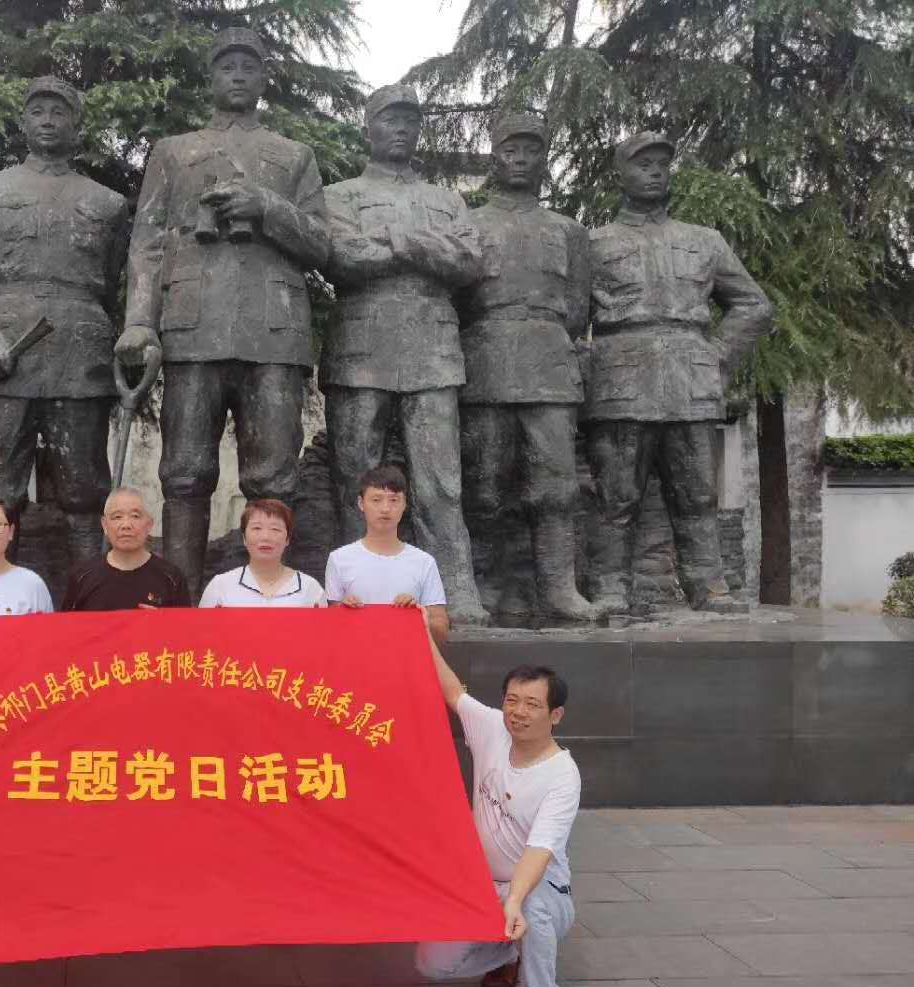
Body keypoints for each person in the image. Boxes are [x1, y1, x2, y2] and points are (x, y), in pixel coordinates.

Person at [115, 27, 331, 596]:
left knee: (273, 476)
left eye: (248, 67)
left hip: (274, 332)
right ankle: (180, 597)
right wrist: (139, 321)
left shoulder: (294, 156)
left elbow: (321, 245)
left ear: (263, 79)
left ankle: (271, 596)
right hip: (192, 328)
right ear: (210, 77)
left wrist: (267, 207)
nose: (237, 75)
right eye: (227, 66)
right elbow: (147, 244)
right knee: (184, 473)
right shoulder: (173, 152)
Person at [585, 131, 772, 615]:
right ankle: (609, 587)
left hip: (691, 382)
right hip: (620, 382)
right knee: (616, 494)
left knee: (697, 494)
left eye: (661, 164)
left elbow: (753, 305)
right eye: (642, 163)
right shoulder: (593, 244)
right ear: (620, 174)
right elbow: (567, 318)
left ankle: (708, 584)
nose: (654, 172)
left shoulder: (704, 241)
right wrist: (589, 369)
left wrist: (718, 356)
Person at [322, 84, 488, 626]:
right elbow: (341, 256)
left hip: (432, 349)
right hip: (360, 348)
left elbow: (468, 263)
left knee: (441, 481)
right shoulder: (339, 195)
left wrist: (396, 241)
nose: (401, 128)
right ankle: (351, 589)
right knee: (354, 477)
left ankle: (455, 591)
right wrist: (426, 247)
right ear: (368, 128)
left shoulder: (448, 200)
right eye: (390, 119)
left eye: (410, 121)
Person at [0, 77, 129, 564]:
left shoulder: (107, 203)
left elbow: (109, 282)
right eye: (38, 112)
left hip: (80, 356)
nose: (48, 120)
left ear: (77, 126)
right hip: (8, 354)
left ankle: (91, 587)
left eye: (59, 112)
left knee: (85, 486)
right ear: (22, 123)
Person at [414, 633, 580, 987]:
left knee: (533, 907)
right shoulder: (492, 728)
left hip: (540, 890)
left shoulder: (562, 777)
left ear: (555, 714)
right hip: (481, 887)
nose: (518, 712)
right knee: (433, 964)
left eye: (532, 704)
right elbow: (452, 690)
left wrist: (515, 901)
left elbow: (539, 851)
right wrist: (418, 629)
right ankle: (507, 951)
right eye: (512, 700)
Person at [459, 113, 597, 622]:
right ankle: (486, 584)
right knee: (485, 483)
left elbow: (578, 309)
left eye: (531, 150)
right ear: (495, 158)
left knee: (557, 484)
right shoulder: (469, 224)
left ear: (544, 159)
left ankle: (559, 588)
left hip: (549, 366)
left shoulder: (569, 231)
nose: (520, 160)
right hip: (486, 364)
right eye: (510, 150)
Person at [324, 465, 451, 641]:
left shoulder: (424, 562)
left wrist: (417, 614)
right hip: (357, 652)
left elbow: (441, 630)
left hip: (407, 653)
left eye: (394, 500)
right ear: (361, 503)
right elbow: (329, 626)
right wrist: (342, 611)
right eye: (376, 500)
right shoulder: (339, 559)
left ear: (405, 504)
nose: (385, 508)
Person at [62, 487, 191, 611]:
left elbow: (186, 625)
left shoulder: (172, 579)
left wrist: (162, 620)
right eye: (117, 517)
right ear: (104, 525)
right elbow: (66, 625)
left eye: (135, 516)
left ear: (149, 524)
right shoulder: (82, 578)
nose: (126, 525)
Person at [199, 499, 326, 608]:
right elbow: (202, 628)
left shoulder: (310, 588)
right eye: (256, 528)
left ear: (287, 539)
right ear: (244, 538)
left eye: (275, 529)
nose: (265, 537)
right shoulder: (220, 586)